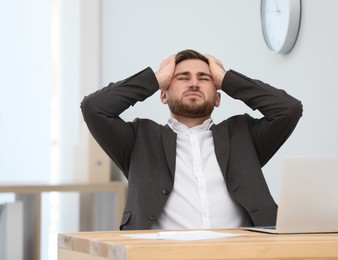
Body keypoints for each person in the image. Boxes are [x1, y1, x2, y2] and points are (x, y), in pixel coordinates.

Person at [81, 49, 303, 230]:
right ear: (163, 94)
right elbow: (94, 108)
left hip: (244, 253)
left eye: (204, 78)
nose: (194, 83)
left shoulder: (243, 135)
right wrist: (155, 78)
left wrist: (227, 79)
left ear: (218, 98)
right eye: (182, 77)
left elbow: (288, 109)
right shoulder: (139, 139)